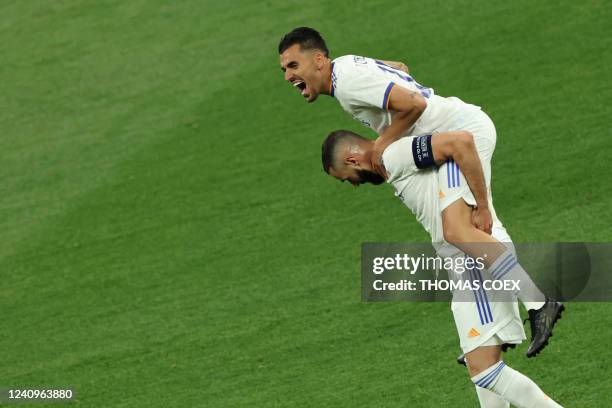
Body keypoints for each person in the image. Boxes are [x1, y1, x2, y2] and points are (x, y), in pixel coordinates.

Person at [278, 26, 564, 357]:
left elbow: (412, 103)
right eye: (284, 69)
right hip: (453, 135)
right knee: (468, 230)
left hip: (462, 133)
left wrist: (383, 142)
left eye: (293, 66)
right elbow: (399, 68)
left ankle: (534, 305)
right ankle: (502, 324)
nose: (287, 75)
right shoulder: (347, 67)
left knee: (474, 225)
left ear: (317, 60)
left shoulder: (348, 82)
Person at [321, 129, 563, 407]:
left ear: (353, 161)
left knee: (484, 370)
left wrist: (481, 206)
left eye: (345, 180)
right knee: (483, 369)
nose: (352, 185)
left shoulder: (393, 155)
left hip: (472, 257)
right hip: (463, 257)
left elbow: (459, 141)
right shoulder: (393, 159)